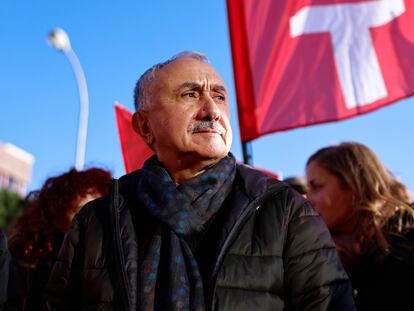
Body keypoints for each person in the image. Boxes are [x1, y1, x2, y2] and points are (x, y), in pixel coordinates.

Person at [42, 51, 355, 311]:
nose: (212, 111)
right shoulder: (96, 221)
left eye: (219, 96)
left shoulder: (285, 211)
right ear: (145, 125)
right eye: (190, 94)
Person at [306, 142, 414, 310]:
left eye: (317, 186)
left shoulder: (406, 239)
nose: (308, 198)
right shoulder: (338, 255)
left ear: (354, 185)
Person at [7, 167, 112, 311]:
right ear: (57, 210)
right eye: (81, 210)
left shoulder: (106, 265)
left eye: (99, 214)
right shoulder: (27, 264)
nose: (91, 220)